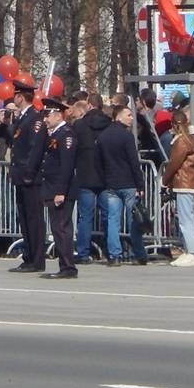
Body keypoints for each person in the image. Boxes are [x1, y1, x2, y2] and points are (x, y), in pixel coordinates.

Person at [98, 105, 150, 266]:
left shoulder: (103, 136)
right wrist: (140, 185)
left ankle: (114, 255)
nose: (132, 118)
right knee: (133, 219)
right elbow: (133, 162)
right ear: (119, 117)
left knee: (113, 220)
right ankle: (139, 253)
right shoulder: (126, 137)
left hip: (111, 183)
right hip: (128, 183)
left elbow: (99, 162)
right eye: (128, 115)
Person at [8, 81, 48, 273]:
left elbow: (35, 149)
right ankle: (29, 256)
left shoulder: (35, 118)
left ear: (20, 97)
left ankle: (37, 259)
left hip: (30, 177)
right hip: (20, 175)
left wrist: (29, 173)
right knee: (24, 218)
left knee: (34, 219)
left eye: (15, 95)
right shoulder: (23, 118)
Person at [38, 98, 79, 279]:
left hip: (62, 189)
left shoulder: (66, 134)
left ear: (57, 114)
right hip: (53, 187)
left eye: (47, 116)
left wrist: (60, 191)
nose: (45, 119)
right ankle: (64, 265)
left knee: (62, 228)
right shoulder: (55, 134)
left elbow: (66, 166)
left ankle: (68, 267)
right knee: (57, 228)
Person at [69, 96, 110, 264]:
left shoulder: (79, 125)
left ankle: (83, 253)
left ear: (89, 105)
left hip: (85, 174)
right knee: (108, 216)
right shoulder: (109, 123)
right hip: (105, 174)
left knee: (85, 217)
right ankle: (111, 252)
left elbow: (73, 149)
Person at [162, 108, 194, 267]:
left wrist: (164, 180)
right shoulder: (193, 139)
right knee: (188, 217)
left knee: (186, 219)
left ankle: (192, 252)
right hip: (191, 182)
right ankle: (189, 250)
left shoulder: (181, 141)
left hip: (184, 182)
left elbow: (174, 163)